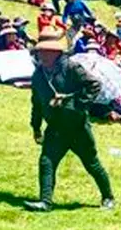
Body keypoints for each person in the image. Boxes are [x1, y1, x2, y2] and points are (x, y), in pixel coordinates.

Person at [25, 38, 115, 212]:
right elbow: (36, 103)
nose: (41, 55)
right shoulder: (38, 75)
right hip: (55, 128)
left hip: (77, 127)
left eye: (45, 51)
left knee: (92, 164)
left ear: (56, 53)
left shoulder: (72, 68)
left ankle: (108, 197)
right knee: (46, 162)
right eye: (40, 51)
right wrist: (36, 127)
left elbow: (94, 85)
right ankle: (45, 202)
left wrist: (73, 103)